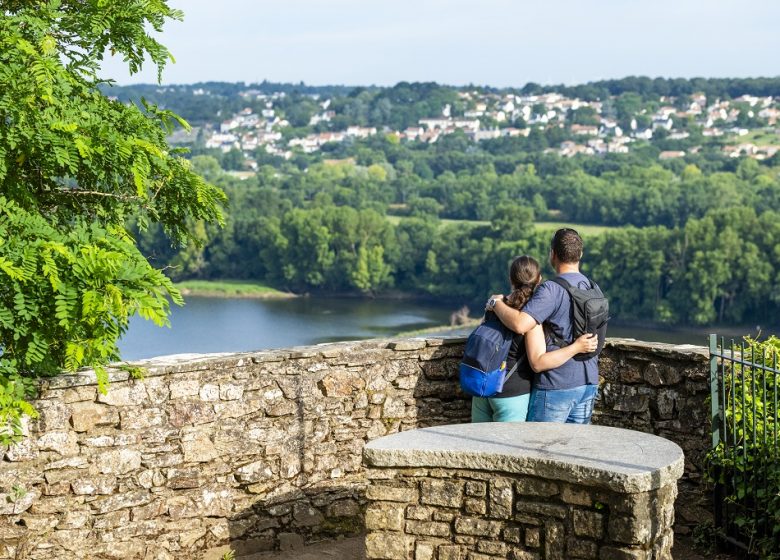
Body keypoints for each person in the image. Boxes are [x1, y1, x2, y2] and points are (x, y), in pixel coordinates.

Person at [487, 229, 600, 424]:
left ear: (552, 254)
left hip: (557, 385)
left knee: (538, 449)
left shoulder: (552, 289)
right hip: (588, 382)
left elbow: (521, 324)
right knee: (573, 451)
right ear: (580, 254)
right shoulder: (593, 287)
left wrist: (496, 304)